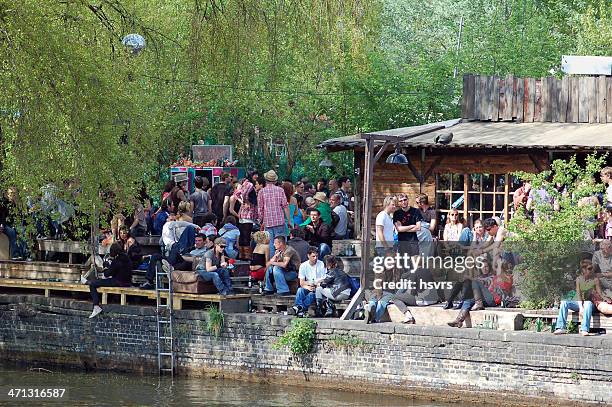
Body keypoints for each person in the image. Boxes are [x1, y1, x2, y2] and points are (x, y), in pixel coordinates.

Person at [553, 258, 606, 336]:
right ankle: (561, 327)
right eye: (588, 268)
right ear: (583, 270)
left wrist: (606, 299)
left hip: (591, 304)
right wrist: (581, 307)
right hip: (580, 303)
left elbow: (600, 293)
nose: (590, 270)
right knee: (564, 302)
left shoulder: (595, 280)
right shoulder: (579, 279)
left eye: (591, 268)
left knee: (588, 303)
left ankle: (584, 329)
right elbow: (578, 294)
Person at [88, 243, 132, 318]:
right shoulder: (127, 258)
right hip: (128, 282)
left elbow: (107, 274)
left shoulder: (116, 261)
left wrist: (106, 265)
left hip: (118, 282)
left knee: (92, 284)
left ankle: (96, 306)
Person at [257, 170, 292, 256]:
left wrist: (261, 221)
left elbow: (260, 209)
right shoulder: (280, 190)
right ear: (275, 181)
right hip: (280, 221)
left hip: (268, 223)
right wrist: (289, 220)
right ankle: (282, 262)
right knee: (281, 244)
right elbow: (285, 206)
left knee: (271, 245)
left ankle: (272, 265)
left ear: (266, 180)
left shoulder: (262, 192)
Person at [291, 247, 327, 317]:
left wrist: (314, 284)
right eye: (313, 256)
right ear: (308, 256)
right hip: (308, 286)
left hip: (318, 288)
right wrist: (307, 286)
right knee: (300, 290)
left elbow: (324, 279)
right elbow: (301, 282)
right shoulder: (303, 265)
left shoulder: (322, 264)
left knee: (311, 295)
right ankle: (300, 308)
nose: (315, 258)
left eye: (317, 256)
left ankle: (299, 308)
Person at [235, 174, 258, 260]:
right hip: (248, 213)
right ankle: (246, 257)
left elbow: (236, 194)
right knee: (246, 235)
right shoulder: (250, 184)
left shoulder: (243, 184)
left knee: (243, 235)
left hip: (243, 213)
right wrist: (246, 201)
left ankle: (242, 256)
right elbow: (243, 194)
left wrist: (242, 202)